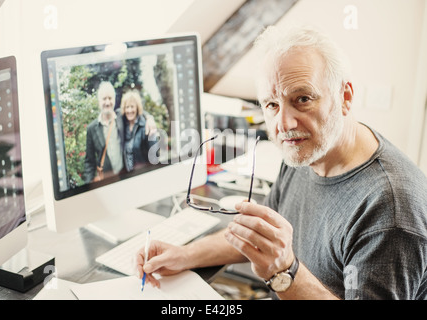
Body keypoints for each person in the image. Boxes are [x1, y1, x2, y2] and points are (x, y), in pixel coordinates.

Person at [136, 25, 427, 300]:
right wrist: (185, 254)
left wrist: (283, 272)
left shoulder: (391, 213)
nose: (284, 123)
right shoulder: (305, 150)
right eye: (272, 105)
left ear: (345, 96)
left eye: (302, 99)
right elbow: (259, 236)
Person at [83, 81, 124, 183]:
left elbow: (136, 110)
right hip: (107, 180)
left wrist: (149, 118)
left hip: (125, 176)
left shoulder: (121, 117)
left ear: (114, 100)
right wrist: (89, 187)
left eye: (110, 98)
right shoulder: (91, 129)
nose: (107, 102)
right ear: (99, 102)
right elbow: (89, 162)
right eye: (104, 99)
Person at [120, 90, 158, 172]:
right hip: (128, 176)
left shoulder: (146, 126)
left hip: (143, 174)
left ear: (137, 108)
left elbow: (155, 156)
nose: (129, 110)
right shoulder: (122, 125)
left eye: (132, 107)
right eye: (127, 107)